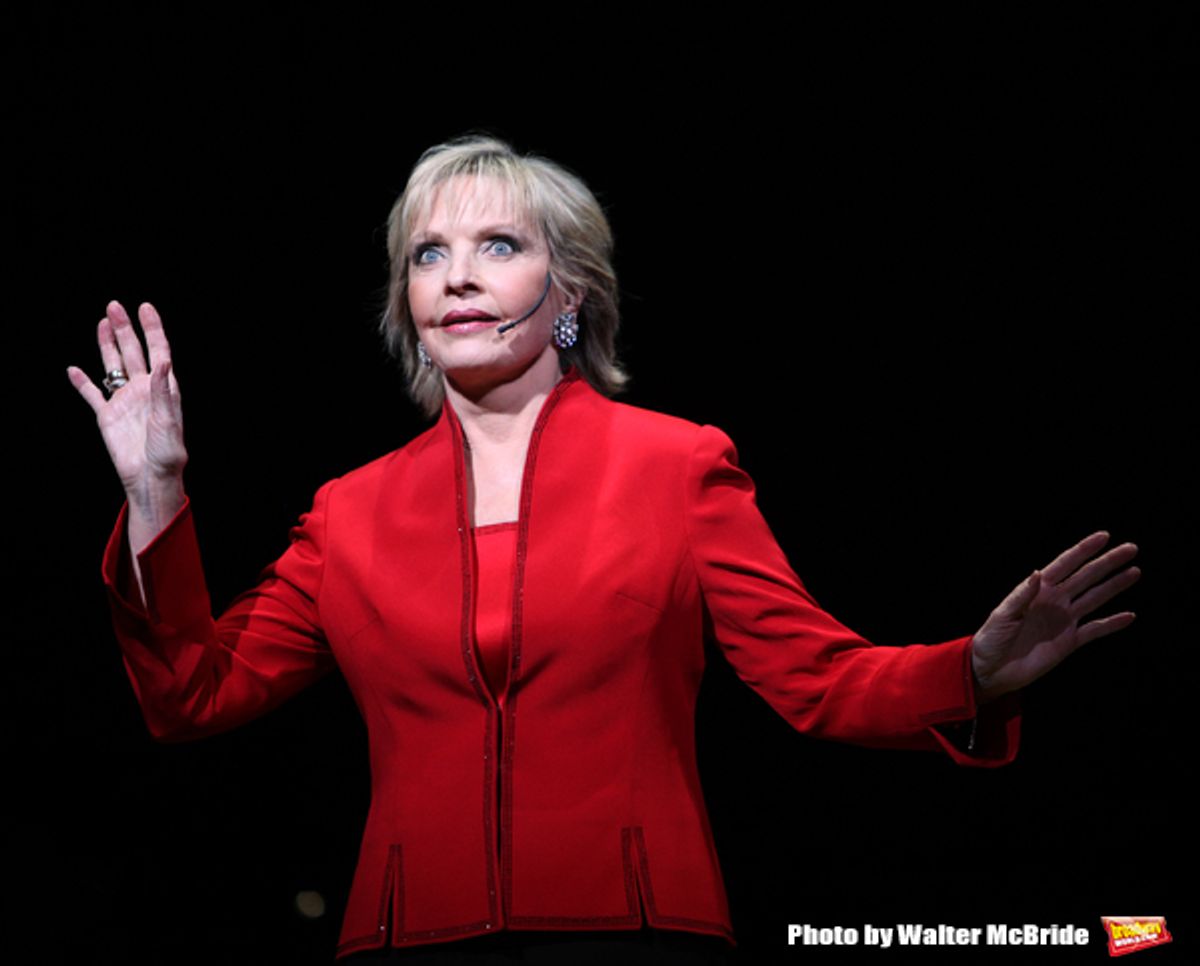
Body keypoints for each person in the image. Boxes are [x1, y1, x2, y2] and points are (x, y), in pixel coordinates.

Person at [67, 136, 1141, 964]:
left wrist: (970, 673)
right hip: (405, 939)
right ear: (406, 301)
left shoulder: (675, 466)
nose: (457, 276)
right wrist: (158, 494)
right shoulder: (348, 513)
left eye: (499, 246)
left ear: (567, 293)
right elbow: (190, 696)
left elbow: (815, 679)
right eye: (428, 255)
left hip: (635, 932)